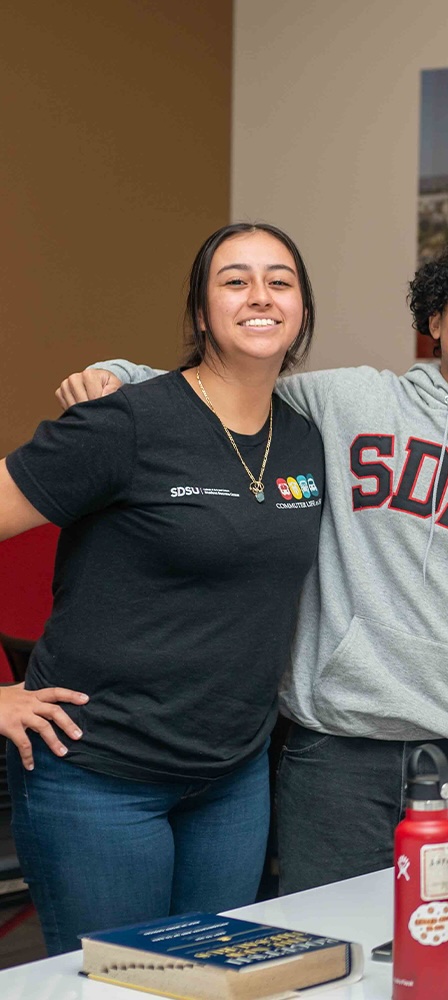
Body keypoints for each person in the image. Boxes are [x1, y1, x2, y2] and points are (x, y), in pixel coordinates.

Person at [57, 236, 448, 895]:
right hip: (337, 754)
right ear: (433, 320)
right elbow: (224, 389)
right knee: (324, 959)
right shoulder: (346, 403)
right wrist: (117, 374)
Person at [3, 223, 324, 953]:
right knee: (121, 986)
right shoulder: (125, 422)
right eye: (235, 280)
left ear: (303, 308)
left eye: (280, 280)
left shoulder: (305, 439)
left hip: (231, 781)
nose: (260, 296)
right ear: (201, 311)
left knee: (210, 977)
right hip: (98, 776)